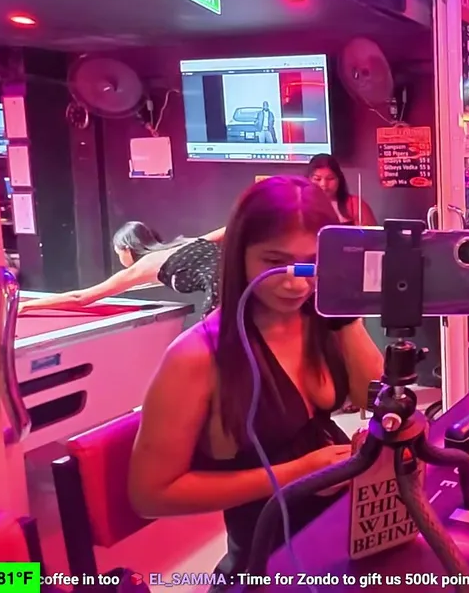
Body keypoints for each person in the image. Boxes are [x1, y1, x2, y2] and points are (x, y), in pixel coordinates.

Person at [128, 176, 384, 581]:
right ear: (239, 253)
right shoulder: (196, 357)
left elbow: (374, 397)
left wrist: (344, 309)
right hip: (267, 565)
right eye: (274, 262)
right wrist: (295, 474)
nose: (295, 282)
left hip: (343, 536)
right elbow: (150, 495)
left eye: (313, 263)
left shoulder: (316, 319)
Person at [20, 222, 224, 314]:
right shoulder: (189, 242)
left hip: (224, 291)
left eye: (118, 251)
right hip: (240, 278)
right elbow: (230, 228)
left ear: (127, 249)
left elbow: (81, 298)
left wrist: (27, 306)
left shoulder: (142, 267)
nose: (119, 257)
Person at [306, 153, 377, 226]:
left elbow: (372, 232)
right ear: (308, 179)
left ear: (339, 179)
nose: (323, 184)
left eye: (330, 178)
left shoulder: (355, 205)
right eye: (317, 179)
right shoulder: (303, 205)